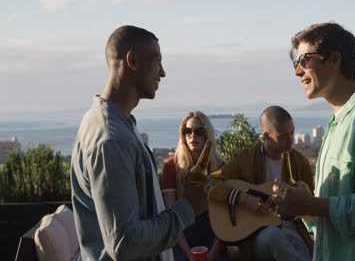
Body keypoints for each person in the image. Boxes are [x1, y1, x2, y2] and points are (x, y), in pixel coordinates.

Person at [272, 22, 355, 261]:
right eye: (296, 63)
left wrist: (312, 204)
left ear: (335, 60)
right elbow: (335, 219)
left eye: (304, 60)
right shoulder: (337, 123)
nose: (297, 71)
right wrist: (306, 207)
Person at [70, 25, 207, 261]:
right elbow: (125, 243)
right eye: (157, 62)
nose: (162, 73)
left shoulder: (120, 125)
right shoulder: (110, 140)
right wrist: (188, 207)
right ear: (132, 60)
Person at [209, 106, 314, 261]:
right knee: (273, 235)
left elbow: (311, 208)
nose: (291, 140)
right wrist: (243, 198)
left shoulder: (300, 163)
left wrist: (302, 205)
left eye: (292, 132)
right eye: (284, 136)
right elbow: (212, 184)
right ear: (267, 136)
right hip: (257, 239)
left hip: (296, 235)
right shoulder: (246, 158)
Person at [161, 111, 226, 261]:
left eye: (199, 131)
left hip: (214, 234)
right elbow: (171, 216)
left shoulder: (221, 167)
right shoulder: (171, 166)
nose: (192, 135)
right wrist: (190, 255)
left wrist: (212, 254)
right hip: (181, 236)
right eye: (187, 131)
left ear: (207, 135)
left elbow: (225, 217)